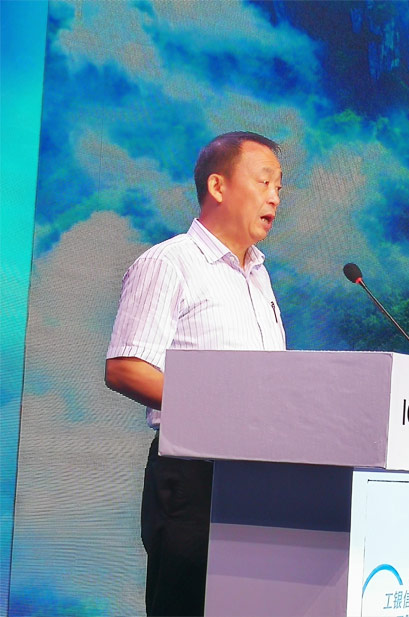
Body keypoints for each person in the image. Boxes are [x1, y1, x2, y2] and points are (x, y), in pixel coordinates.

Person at [105, 131, 287, 616]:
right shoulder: (170, 263)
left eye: (279, 187)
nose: (274, 197)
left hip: (263, 477)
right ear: (218, 186)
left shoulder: (259, 276)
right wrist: (220, 409)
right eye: (264, 181)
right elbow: (125, 368)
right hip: (196, 480)